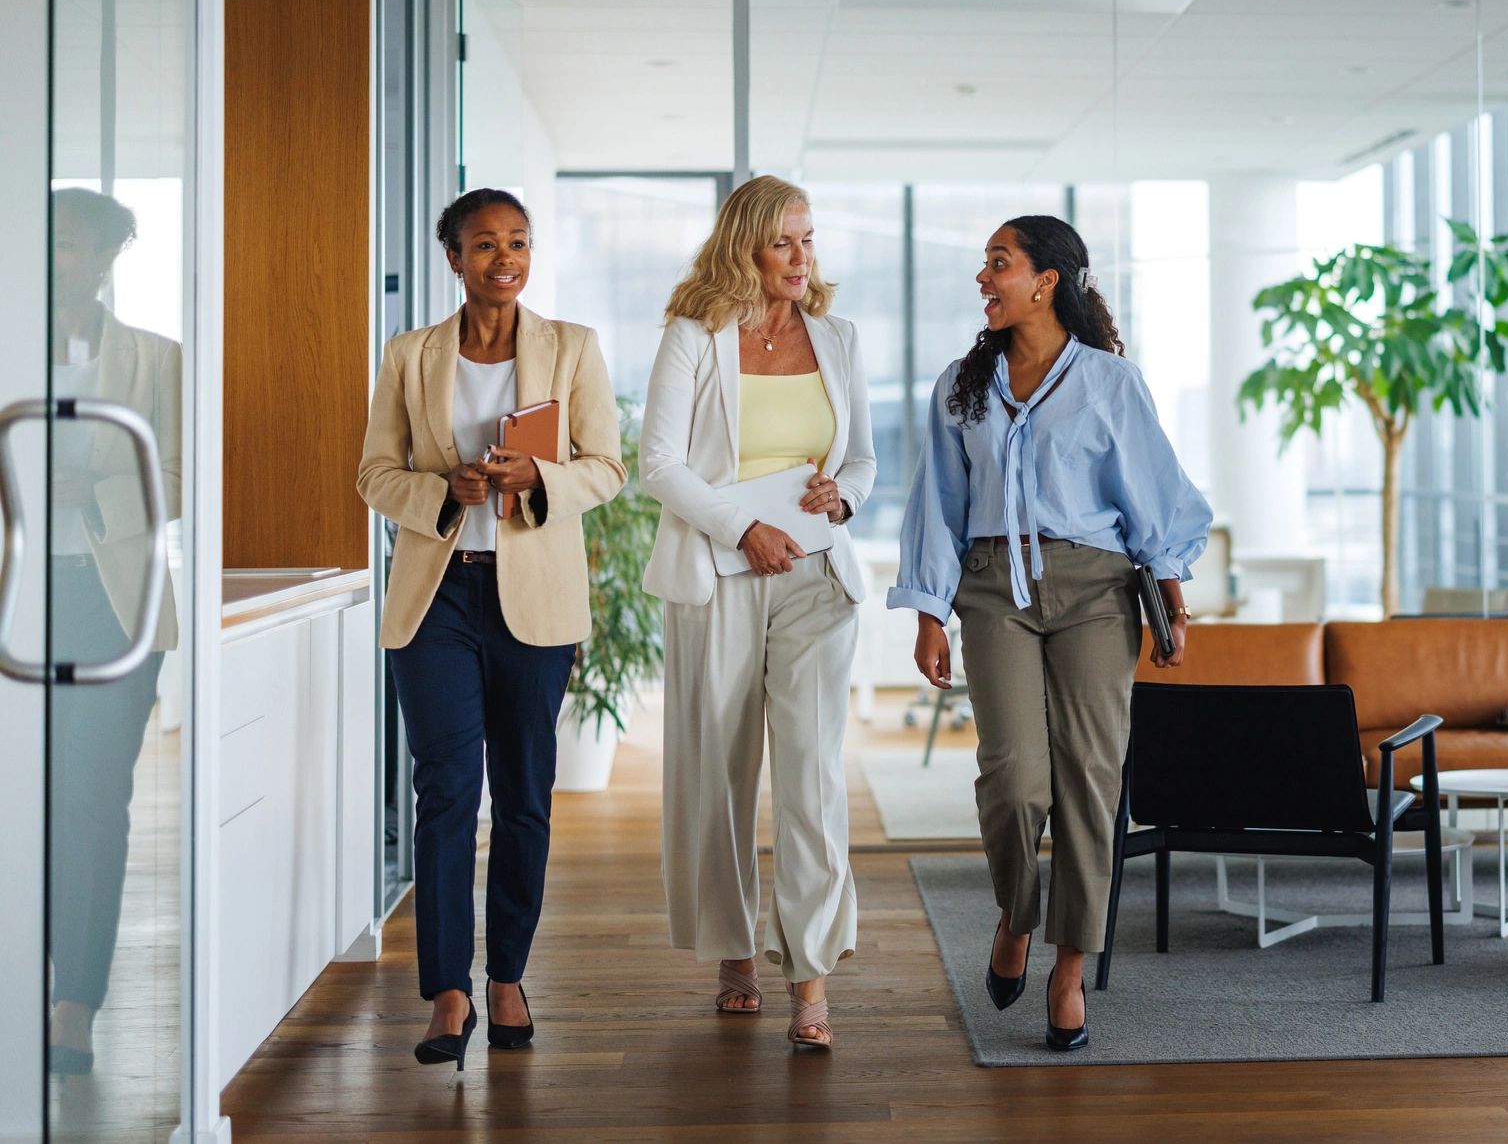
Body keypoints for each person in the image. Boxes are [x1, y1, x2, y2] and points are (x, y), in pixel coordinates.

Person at [889, 214, 1210, 1053]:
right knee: (1014, 780)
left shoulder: (1110, 383)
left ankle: (1068, 972)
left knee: (1089, 785)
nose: (984, 278)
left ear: (1048, 280)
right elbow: (937, 505)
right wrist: (929, 611)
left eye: (1000, 263)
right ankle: (1014, 913)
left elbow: (1154, 496)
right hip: (993, 590)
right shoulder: (961, 384)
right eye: (984, 265)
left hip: (1097, 592)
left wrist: (1171, 598)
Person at [356, 188, 624, 1069]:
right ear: (453, 257)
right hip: (436, 599)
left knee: (524, 796)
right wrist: (444, 493)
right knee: (445, 794)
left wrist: (536, 476)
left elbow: (608, 469)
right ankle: (448, 992)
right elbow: (374, 475)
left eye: (517, 242)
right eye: (483, 245)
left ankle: (506, 974)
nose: (503, 258)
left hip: (532, 601)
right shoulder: (409, 355)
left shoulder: (572, 348)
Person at [640, 175, 875, 1051]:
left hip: (815, 572)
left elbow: (862, 460)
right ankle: (734, 951)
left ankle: (809, 978)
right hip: (720, 570)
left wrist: (841, 496)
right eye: (784, 242)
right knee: (721, 772)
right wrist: (746, 527)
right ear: (744, 245)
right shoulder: (693, 335)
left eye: (809, 240)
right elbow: (659, 463)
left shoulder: (838, 337)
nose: (801, 258)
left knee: (812, 772)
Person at [45, 188, 182, 1077]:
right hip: (20, 594)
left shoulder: (156, 362)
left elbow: (179, 473)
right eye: (47, 244)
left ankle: (74, 1007)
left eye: (75, 247)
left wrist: (88, 493)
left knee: (94, 804)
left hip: (115, 602)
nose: (60, 260)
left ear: (105, 259)